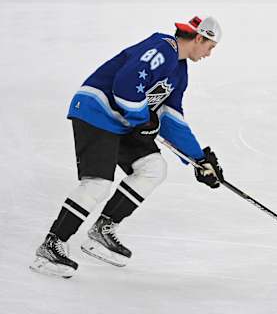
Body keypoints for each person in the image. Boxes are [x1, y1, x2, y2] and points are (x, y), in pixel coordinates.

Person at [30, 16, 225, 278]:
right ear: (199, 37)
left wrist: (199, 158)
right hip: (96, 111)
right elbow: (125, 84)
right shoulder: (162, 49)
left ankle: (102, 229)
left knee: (153, 167)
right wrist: (143, 119)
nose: (209, 54)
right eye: (210, 47)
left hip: (122, 122)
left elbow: (169, 117)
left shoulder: (179, 72)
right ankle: (52, 245)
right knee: (97, 183)